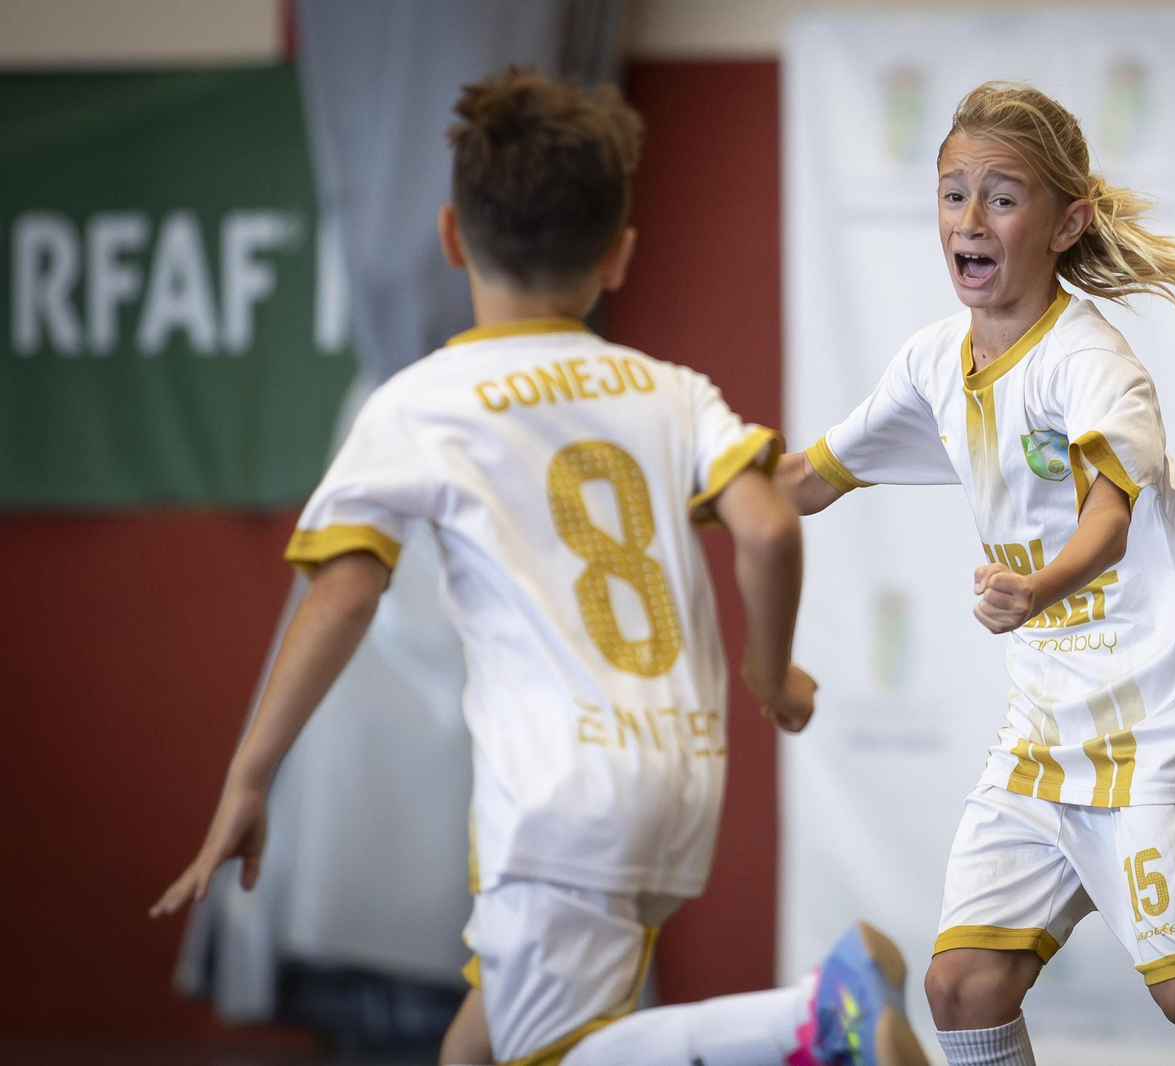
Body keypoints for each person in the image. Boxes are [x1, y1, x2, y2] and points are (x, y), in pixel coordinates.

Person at [152, 69, 927, 1066]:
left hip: (555, 800)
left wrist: (249, 777)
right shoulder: (671, 391)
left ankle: (812, 1020)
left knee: (555, 1055)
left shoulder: (421, 400)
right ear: (618, 257)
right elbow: (770, 529)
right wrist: (769, 675)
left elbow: (344, 590)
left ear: (447, 237)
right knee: (472, 1051)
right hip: (679, 778)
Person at [775, 81, 1175, 1066]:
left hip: (1162, 704)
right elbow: (802, 483)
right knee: (962, 980)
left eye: (1001, 196)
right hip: (1049, 718)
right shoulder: (928, 362)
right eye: (953, 193)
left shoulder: (1090, 361)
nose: (969, 221)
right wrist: (693, 479)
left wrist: (1032, 590)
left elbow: (1107, 522)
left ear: (1066, 222)